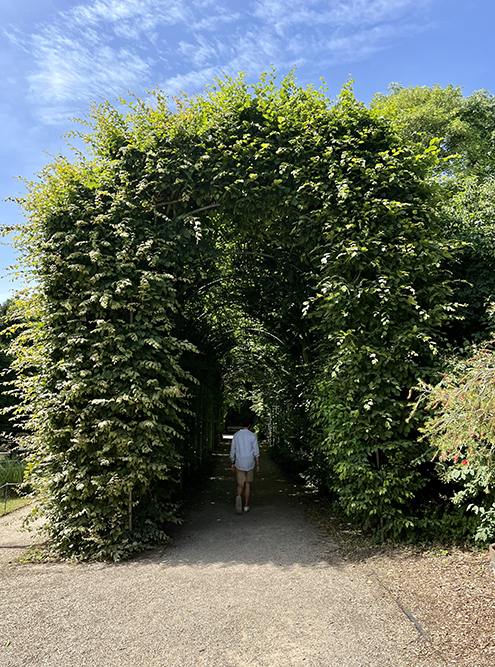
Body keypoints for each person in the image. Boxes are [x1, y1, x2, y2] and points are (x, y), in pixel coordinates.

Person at [229, 418, 259, 514]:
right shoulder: (252, 436)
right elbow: (256, 452)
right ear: (250, 425)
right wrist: (257, 464)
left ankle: (238, 498)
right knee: (247, 484)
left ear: (241, 424)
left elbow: (233, 450)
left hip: (239, 462)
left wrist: (232, 462)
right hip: (249, 462)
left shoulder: (236, 436)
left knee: (240, 484)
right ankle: (246, 506)